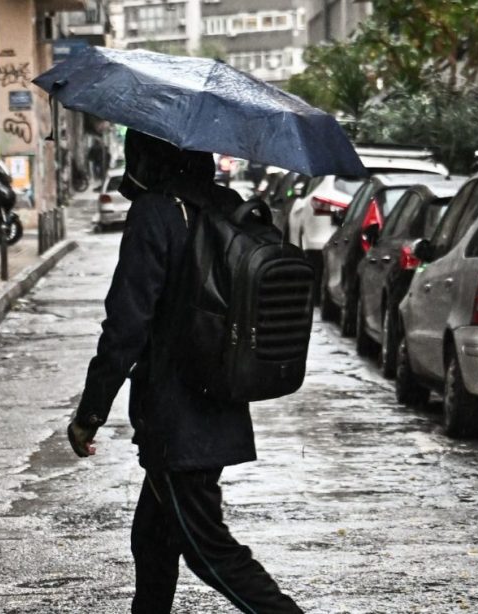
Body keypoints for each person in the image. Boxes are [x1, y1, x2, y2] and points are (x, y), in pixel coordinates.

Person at [68, 130, 303, 613]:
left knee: (207, 550)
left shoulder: (157, 211)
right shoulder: (222, 205)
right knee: (153, 540)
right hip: (217, 395)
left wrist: (90, 413)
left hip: (176, 416)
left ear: (148, 156)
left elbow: (126, 326)